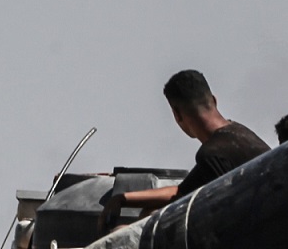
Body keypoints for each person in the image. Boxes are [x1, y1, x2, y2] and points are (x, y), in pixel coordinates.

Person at [101, 71, 270, 228]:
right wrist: (122, 199)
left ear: (177, 115)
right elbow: (181, 192)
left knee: (153, 218)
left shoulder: (213, 153)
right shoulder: (240, 133)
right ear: (214, 100)